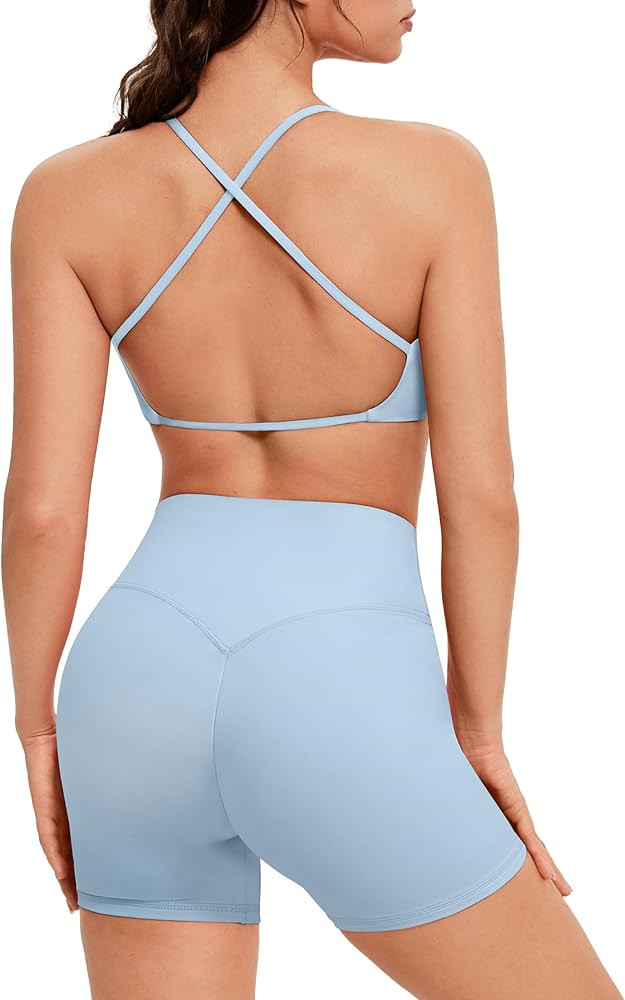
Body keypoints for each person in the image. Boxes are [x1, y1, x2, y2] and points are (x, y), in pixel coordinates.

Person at [3, 2, 622, 998]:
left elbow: (41, 511)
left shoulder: (66, 191)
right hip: (339, 680)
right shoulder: (433, 172)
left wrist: (38, 728)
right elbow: (482, 500)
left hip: (131, 688)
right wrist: (476, 732)